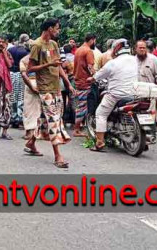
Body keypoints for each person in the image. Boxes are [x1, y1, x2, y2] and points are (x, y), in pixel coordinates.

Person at [25, 18, 72, 168]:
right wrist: (48, 64)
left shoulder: (54, 44)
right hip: (44, 88)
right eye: (57, 28)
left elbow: (58, 67)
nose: (58, 31)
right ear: (50, 28)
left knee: (47, 118)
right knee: (54, 119)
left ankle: (31, 142)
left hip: (56, 87)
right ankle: (58, 156)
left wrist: (68, 84)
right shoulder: (37, 45)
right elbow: (29, 69)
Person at [89, 39, 138, 152]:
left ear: (116, 49)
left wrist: (91, 79)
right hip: (133, 94)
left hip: (116, 95)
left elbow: (98, 75)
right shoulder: (134, 60)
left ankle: (100, 142)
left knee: (100, 113)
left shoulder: (113, 63)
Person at [73, 34, 97, 137]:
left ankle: (79, 127)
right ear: (92, 40)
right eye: (95, 41)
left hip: (78, 81)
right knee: (82, 106)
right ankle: (77, 129)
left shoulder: (78, 50)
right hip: (85, 82)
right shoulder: (88, 51)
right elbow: (90, 67)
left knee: (81, 105)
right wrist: (96, 76)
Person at [136, 40, 157, 130]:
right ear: (135, 49)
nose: (142, 50)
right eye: (140, 48)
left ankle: (148, 135)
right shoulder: (132, 60)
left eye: (144, 48)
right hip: (136, 93)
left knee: (149, 116)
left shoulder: (154, 59)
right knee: (137, 115)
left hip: (150, 93)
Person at [8, 34, 30, 128]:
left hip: (12, 73)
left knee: (13, 96)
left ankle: (12, 117)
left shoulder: (11, 49)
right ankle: (20, 119)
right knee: (21, 96)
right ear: (26, 41)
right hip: (21, 74)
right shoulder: (26, 51)